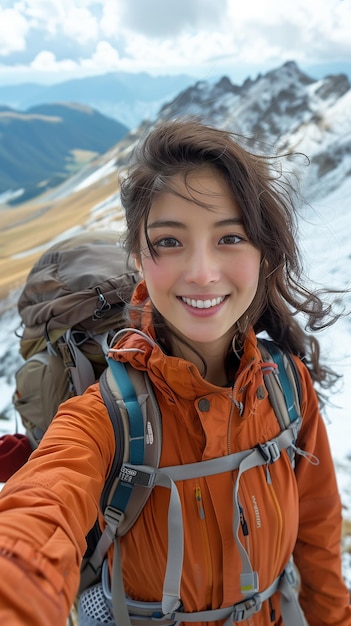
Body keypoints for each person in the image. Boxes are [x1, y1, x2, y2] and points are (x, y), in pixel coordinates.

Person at [0, 118, 350, 626]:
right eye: (168, 241)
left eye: (230, 237)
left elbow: (318, 542)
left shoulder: (287, 386)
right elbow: (37, 520)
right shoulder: (102, 418)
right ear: (139, 257)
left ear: (263, 253)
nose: (202, 272)